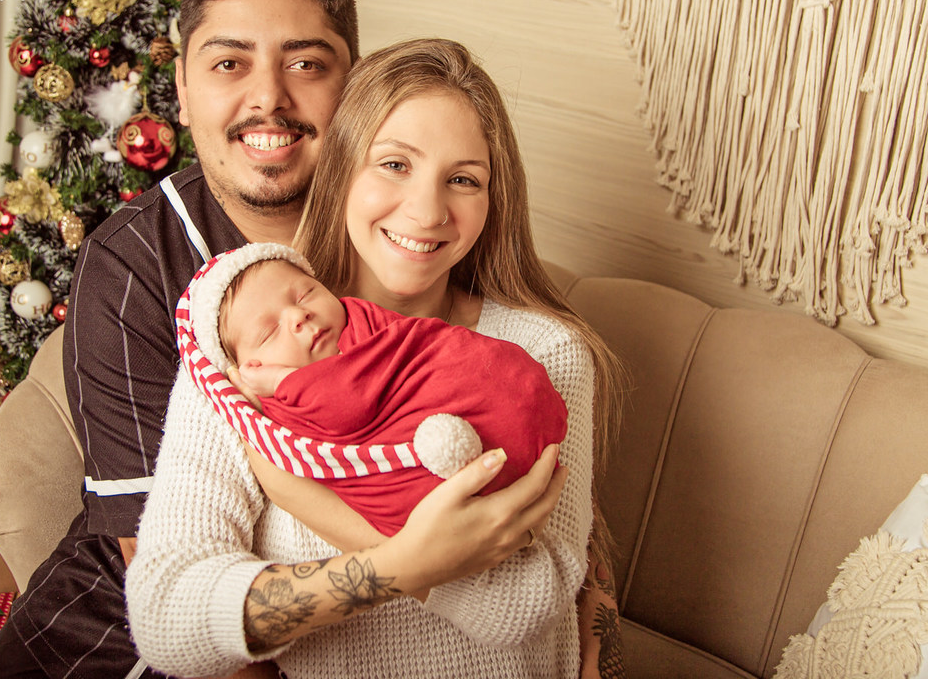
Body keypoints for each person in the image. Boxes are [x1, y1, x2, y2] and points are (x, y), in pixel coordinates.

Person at [125, 38, 624, 678]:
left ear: (492, 198)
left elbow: (524, 608)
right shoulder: (246, 356)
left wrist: (312, 502)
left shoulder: (546, 353)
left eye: (463, 179)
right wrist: (402, 566)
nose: (427, 210)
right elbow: (165, 616)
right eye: (394, 164)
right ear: (342, 170)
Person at [0, 0, 360, 678]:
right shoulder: (131, 267)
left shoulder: (402, 230)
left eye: (306, 63)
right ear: (181, 88)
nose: (268, 98)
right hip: (116, 628)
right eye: (229, 63)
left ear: (356, 83)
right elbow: (171, 583)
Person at [179, 241, 569, 537]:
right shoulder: (257, 409)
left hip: (519, 420)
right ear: (247, 370)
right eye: (268, 332)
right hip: (435, 499)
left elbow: (413, 351)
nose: (299, 315)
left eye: (305, 294)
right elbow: (345, 408)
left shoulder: (362, 318)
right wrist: (284, 387)